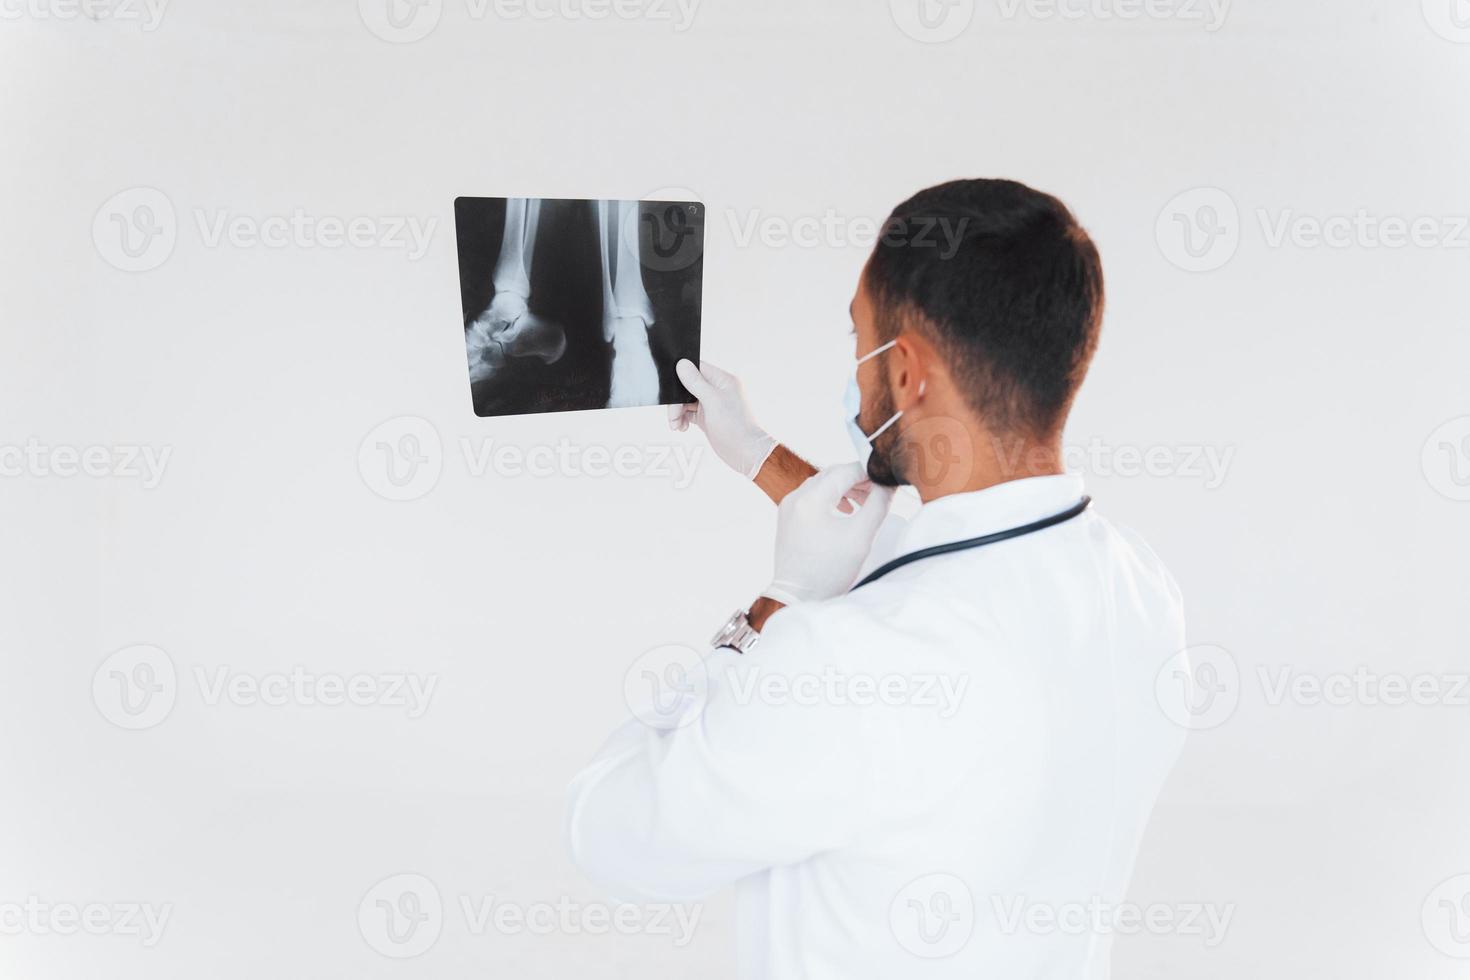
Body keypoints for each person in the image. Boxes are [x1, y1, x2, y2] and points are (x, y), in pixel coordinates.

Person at [565, 178, 1189, 979]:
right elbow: (951, 558)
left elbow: (612, 832)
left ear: (907, 373)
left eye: (858, 338)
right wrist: (760, 455)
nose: (854, 370)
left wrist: (775, 608)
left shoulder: (842, 665)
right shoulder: (1140, 587)